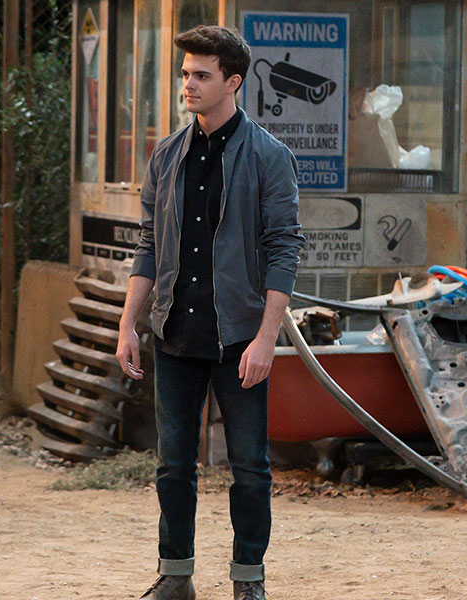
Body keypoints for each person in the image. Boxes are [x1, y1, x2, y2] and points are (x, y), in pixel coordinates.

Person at [116, 25, 303, 600]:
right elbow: (148, 244)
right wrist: (128, 323)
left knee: (249, 468)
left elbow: (284, 249)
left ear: (233, 82)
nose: (188, 85)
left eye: (201, 75)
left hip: (240, 336)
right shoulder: (167, 154)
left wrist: (267, 339)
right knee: (173, 467)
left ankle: (248, 581)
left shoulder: (270, 157)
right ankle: (176, 578)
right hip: (174, 334)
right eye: (185, 74)